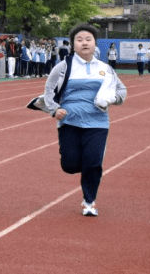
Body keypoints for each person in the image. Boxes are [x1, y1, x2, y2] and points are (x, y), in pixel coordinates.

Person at [35, 23, 127, 217]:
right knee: (69, 165)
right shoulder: (63, 67)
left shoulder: (105, 69)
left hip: (98, 123)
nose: (84, 43)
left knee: (93, 163)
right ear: (72, 44)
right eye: (79, 40)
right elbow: (49, 91)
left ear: (95, 43)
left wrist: (111, 99)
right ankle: (83, 169)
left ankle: (89, 201)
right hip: (69, 122)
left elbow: (121, 91)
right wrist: (54, 110)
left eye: (88, 39)